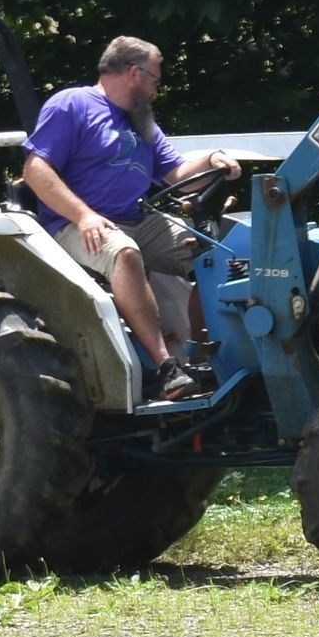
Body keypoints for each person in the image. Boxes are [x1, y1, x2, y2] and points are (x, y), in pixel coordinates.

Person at [20, 36, 241, 401]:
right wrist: (84, 215)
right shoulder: (72, 105)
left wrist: (213, 159)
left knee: (217, 248)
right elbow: (35, 170)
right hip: (74, 225)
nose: (157, 88)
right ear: (135, 74)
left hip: (134, 218)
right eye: (155, 78)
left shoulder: (141, 122)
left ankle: (204, 358)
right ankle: (166, 367)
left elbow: (178, 175)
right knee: (124, 252)